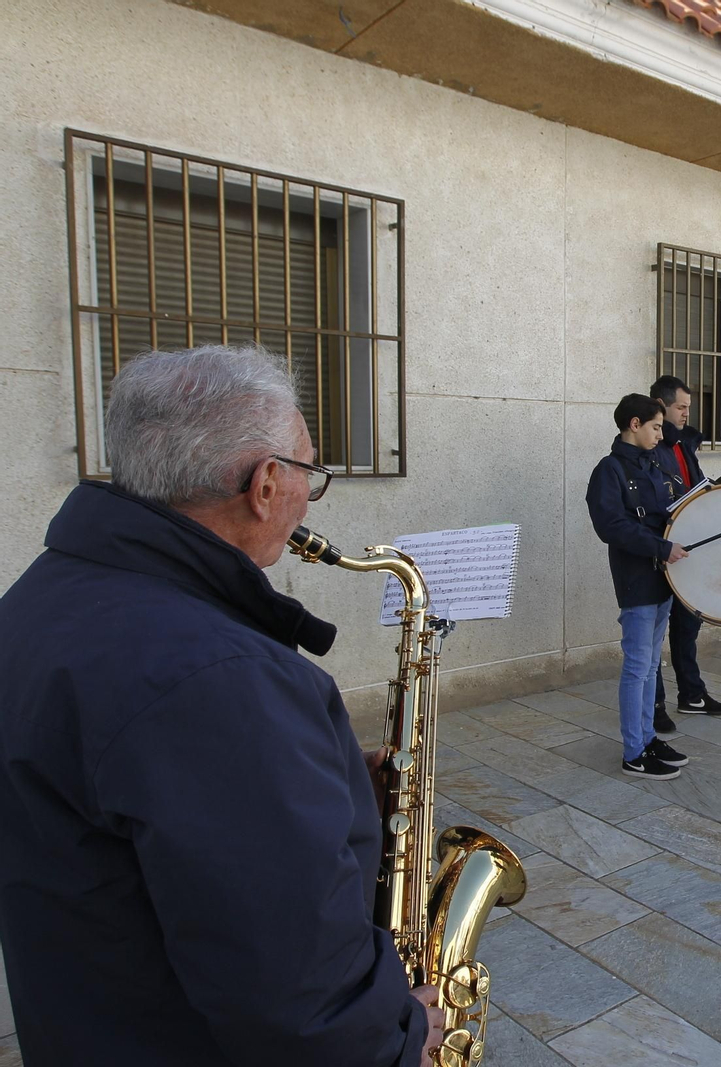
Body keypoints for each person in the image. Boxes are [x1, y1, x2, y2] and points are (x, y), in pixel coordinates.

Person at [0, 346, 442, 1064]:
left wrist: (302, 778)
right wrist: (398, 1044)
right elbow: (300, 1000)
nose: (307, 495)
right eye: (308, 471)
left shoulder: (46, 594)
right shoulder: (221, 678)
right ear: (267, 484)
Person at [587, 393, 693, 780]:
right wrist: (660, 546)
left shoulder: (655, 463)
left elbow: (667, 510)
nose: (660, 434)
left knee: (651, 666)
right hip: (636, 578)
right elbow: (611, 526)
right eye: (655, 426)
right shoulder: (610, 470)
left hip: (662, 577)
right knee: (636, 667)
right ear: (635, 424)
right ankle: (634, 751)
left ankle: (647, 737)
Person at [648, 376, 721, 731]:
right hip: (659, 548)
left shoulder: (684, 444)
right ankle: (655, 707)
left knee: (687, 625)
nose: (686, 414)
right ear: (660, 405)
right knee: (652, 637)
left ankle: (692, 694)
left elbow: (691, 485)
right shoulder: (651, 444)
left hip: (688, 547)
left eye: (688, 408)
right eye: (680, 407)